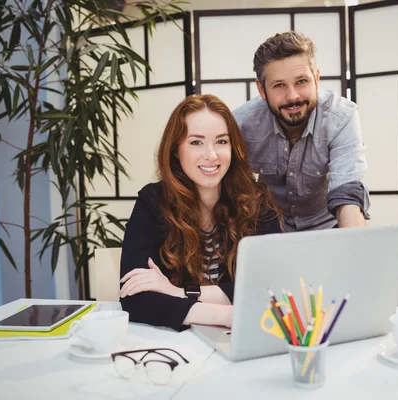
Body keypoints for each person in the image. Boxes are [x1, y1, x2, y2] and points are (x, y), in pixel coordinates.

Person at [119, 94, 283, 332]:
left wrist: (177, 293)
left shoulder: (257, 200)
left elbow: (271, 286)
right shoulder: (153, 202)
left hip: (246, 339)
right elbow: (135, 299)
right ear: (176, 150)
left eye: (221, 141)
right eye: (196, 142)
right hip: (179, 344)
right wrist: (229, 315)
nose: (212, 155)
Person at [233, 31, 370, 232]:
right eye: (279, 85)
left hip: (328, 225)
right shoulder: (242, 123)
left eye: (302, 81)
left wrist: (354, 248)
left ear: (316, 78)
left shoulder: (341, 117)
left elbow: (347, 192)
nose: (293, 96)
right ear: (262, 89)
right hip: (269, 228)